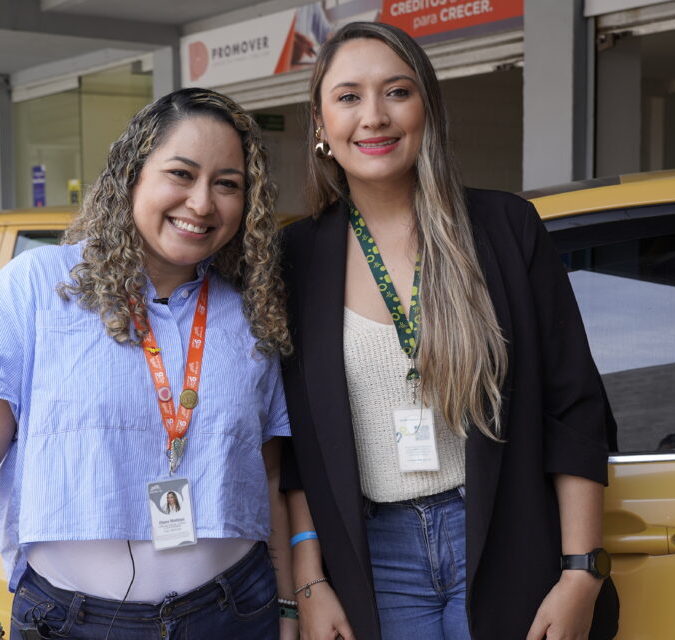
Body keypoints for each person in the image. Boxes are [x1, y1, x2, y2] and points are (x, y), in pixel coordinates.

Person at [278, 22, 620, 640]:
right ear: (320, 125)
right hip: (373, 556)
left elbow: (574, 408)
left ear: (427, 109)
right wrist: (310, 582)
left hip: (506, 538)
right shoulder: (296, 256)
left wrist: (580, 572)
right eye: (349, 97)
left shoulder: (504, 227)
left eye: (397, 92)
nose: (374, 117)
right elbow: (297, 446)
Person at [0, 88, 298, 640]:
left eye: (227, 184)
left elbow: (268, 474)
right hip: (73, 623)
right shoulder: (39, 288)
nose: (201, 203)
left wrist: (289, 605)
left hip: (236, 612)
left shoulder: (250, 311)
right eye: (181, 174)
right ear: (132, 176)